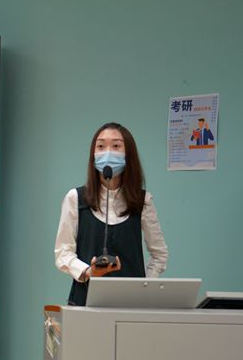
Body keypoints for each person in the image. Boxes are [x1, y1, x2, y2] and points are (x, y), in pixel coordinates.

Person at [54, 122, 168, 306]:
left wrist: (145, 286)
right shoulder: (75, 198)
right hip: (85, 302)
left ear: (128, 154)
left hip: (131, 305)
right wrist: (88, 272)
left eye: (116, 146)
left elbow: (159, 254)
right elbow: (63, 253)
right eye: (100, 146)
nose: (107, 153)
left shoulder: (143, 201)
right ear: (93, 155)